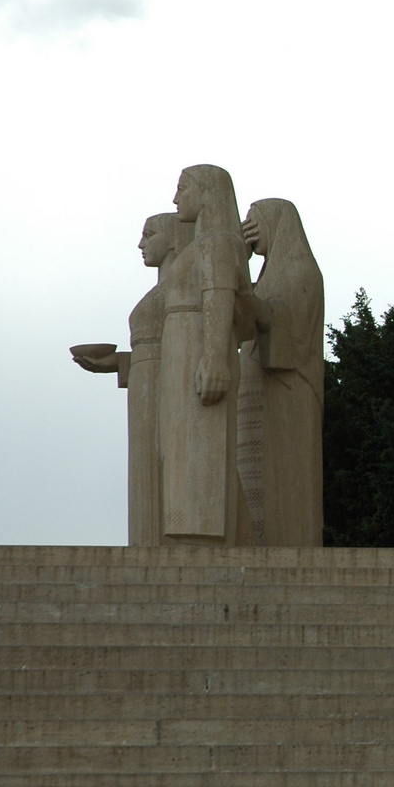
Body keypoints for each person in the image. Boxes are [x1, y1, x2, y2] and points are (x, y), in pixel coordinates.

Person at [73, 213, 195, 544]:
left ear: (174, 239)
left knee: (161, 466)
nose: (141, 244)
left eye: (149, 234)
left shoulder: (185, 285)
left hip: (168, 387)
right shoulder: (163, 288)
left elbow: (185, 345)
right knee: (145, 471)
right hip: (146, 383)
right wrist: (119, 362)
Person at [159, 164, 252, 543]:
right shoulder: (203, 244)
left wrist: (214, 358)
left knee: (198, 446)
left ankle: (199, 530)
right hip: (181, 346)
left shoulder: (216, 241)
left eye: (183, 188)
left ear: (207, 192)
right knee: (183, 448)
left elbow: (219, 295)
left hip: (196, 344)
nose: (176, 197)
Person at [237, 198, 325, 546]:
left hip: (290, 393)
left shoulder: (301, 271)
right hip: (259, 391)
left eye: (254, 221)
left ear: (275, 224)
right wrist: (240, 268)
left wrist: (239, 276)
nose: (248, 228)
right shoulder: (266, 276)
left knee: (286, 480)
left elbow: (279, 323)